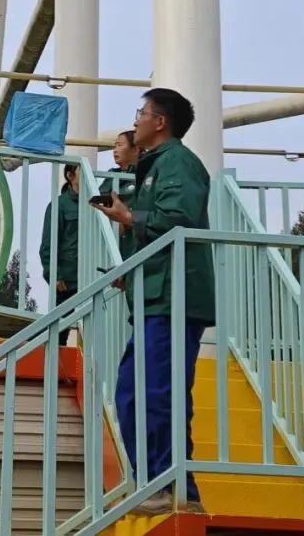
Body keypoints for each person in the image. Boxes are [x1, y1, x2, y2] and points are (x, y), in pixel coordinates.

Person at [93, 88, 215, 515]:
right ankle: (154, 483)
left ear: (160, 122)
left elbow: (178, 219)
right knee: (132, 393)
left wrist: (129, 217)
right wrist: (130, 271)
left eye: (141, 113)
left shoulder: (178, 162)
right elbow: (157, 231)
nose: (136, 120)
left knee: (158, 392)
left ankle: (175, 488)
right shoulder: (153, 166)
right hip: (152, 297)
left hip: (173, 298)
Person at [39, 163, 80, 346]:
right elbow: (48, 244)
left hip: (91, 277)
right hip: (67, 280)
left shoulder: (94, 204)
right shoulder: (59, 205)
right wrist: (54, 274)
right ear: (71, 176)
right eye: (81, 172)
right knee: (59, 332)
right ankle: (52, 363)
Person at [99, 130, 140, 260]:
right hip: (114, 247)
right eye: (115, 146)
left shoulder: (146, 175)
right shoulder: (111, 177)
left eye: (120, 145)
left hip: (136, 244)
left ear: (135, 150)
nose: (115, 150)